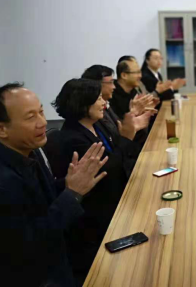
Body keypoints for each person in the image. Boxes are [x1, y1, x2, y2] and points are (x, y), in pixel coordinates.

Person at [0, 83, 108, 287]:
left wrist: (68, 183)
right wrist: (72, 193)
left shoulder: (29, 148)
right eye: (30, 117)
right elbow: (29, 245)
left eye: (41, 112)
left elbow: (43, 196)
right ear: (0, 129)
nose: (43, 122)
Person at [53, 79, 130, 282]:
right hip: (94, 218)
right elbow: (107, 171)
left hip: (113, 198)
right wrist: (127, 137)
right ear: (82, 103)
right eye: (98, 99)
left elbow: (116, 157)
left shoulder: (97, 125)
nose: (104, 103)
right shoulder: (72, 138)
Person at [81, 64, 153, 176]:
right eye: (110, 82)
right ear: (96, 85)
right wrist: (129, 129)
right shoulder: (93, 116)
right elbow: (115, 146)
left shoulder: (106, 106)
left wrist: (134, 117)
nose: (114, 87)